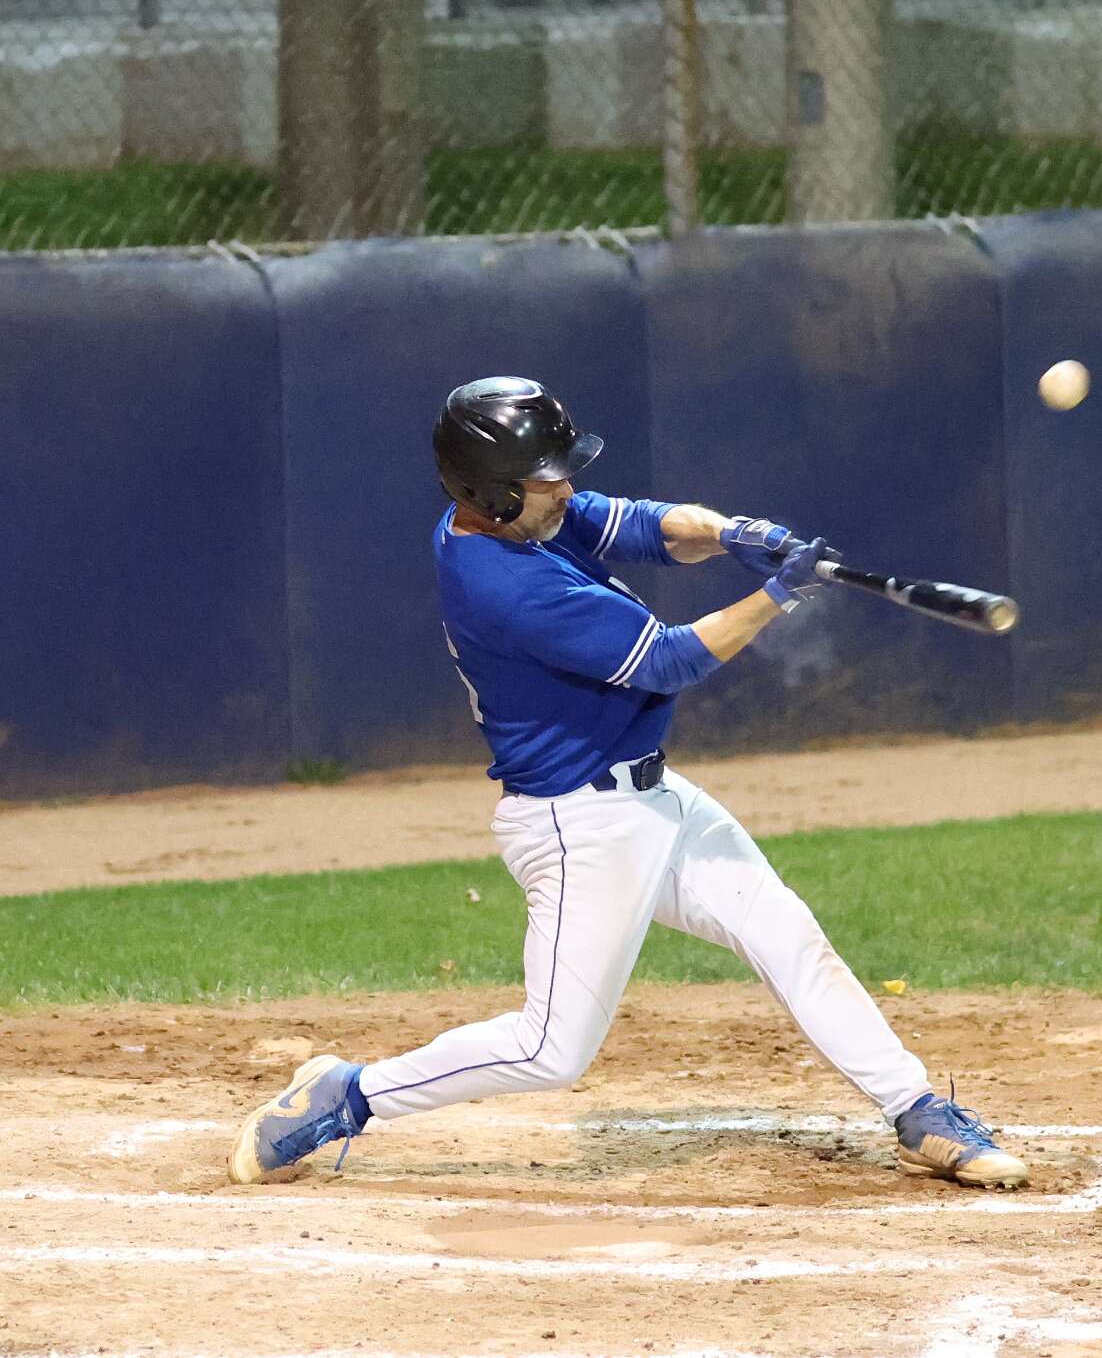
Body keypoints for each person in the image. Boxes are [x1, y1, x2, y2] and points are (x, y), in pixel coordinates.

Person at [227, 376, 1027, 1191]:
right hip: (580, 825)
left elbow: (642, 525)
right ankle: (348, 1094)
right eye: (546, 478)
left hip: (653, 799)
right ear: (495, 492)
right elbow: (670, 659)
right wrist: (777, 594)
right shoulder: (507, 586)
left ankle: (915, 1107)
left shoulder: (518, 519)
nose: (565, 490)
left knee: (786, 932)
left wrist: (733, 533)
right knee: (549, 1050)